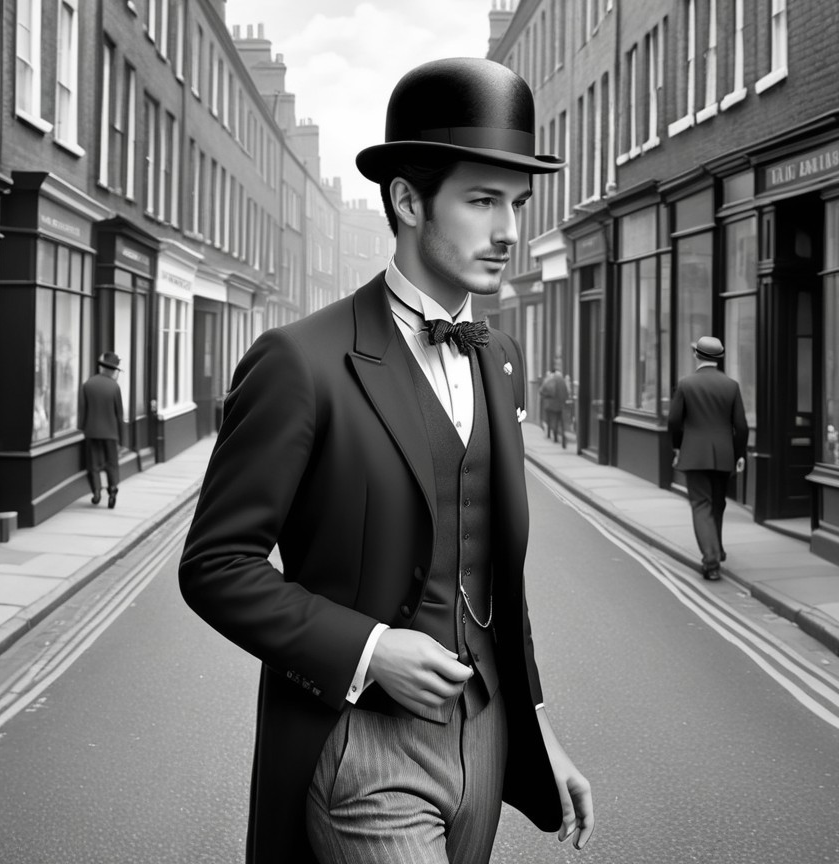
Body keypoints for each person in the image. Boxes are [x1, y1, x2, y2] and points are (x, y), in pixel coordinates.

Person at [179, 58, 593, 864]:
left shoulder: (499, 356)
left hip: (489, 739)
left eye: (516, 203)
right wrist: (369, 652)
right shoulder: (300, 361)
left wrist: (536, 729)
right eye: (481, 201)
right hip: (363, 746)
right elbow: (216, 564)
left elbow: (496, 578)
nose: (508, 230)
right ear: (407, 200)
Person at [667, 336, 748, 581]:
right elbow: (741, 426)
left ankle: (711, 561)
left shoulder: (686, 384)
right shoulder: (731, 385)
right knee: (718, 504)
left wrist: (678, 448)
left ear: (696, 356)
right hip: (724, 455)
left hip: (695, 455)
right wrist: (739, 455)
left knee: (701, 506)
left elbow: (673, 421)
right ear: (719, 358)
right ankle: (719, 549)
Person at [77, 351, 124, 508]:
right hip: (111, 433)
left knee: (94, 464)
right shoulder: (114, 387)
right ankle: (112, 490)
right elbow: (119, 414)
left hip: (91, 431)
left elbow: (82, 411)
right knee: (112, 463)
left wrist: (82, 428)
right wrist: (122, 438)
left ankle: (96, 492)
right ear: (112, 370)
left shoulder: (87, 384)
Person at [539, 366, 569, 446]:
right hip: (560, 403)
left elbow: (542, 391)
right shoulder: (562, 380)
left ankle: (555, 435)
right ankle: (562, 434)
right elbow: (566, 392)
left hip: (550, 403)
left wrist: (546, 397)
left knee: (553, 420)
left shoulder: (549, 380)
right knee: (561, 420)